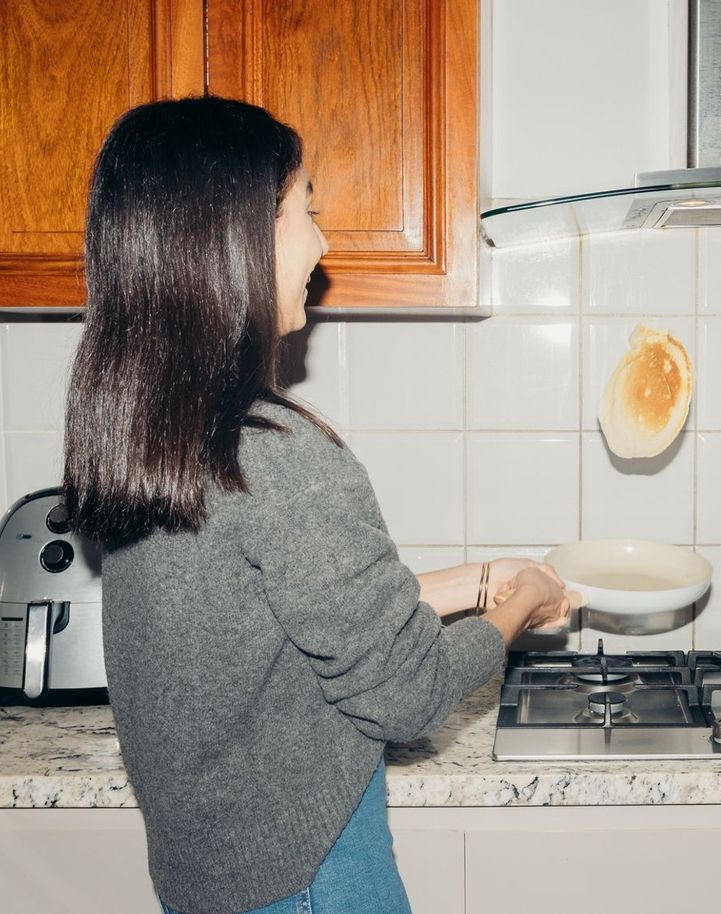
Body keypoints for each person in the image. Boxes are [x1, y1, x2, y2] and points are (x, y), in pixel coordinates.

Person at [62, 96, 569, 914]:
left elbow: (294, 615)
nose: (324, 245)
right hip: (310, 877)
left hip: (213, 879)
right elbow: (412, 693)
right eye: (308, 209)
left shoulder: (147, 439)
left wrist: (483, 578)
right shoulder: (274, 452)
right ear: (235, 238)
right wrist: (522, 607)